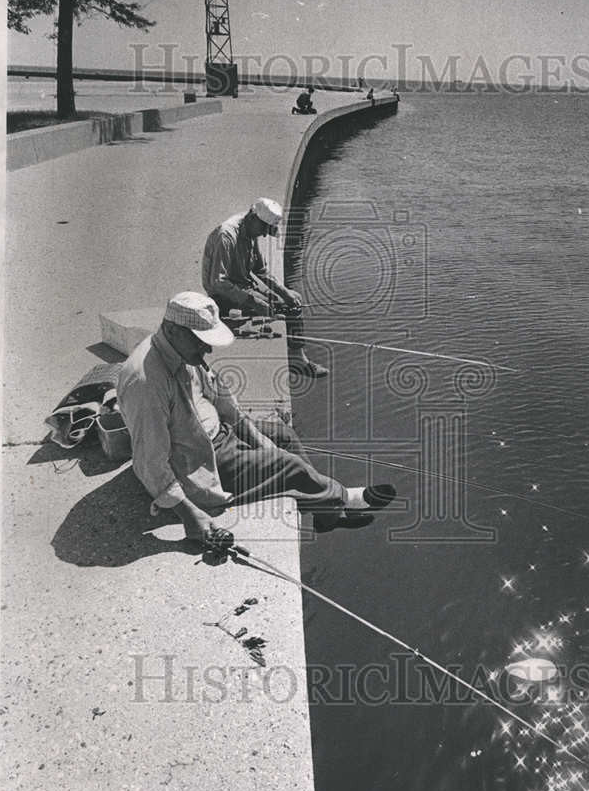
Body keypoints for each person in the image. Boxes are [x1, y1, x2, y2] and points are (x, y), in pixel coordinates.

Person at [117, 292, 395, 544]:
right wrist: (189, 515)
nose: (208, 350)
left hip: (216, 432)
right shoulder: (145, 382)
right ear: (173, 330)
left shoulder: (183, 351)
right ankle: (342, 499)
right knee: (287, 465)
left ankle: (327, 513)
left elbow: (222, 399)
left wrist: (257, 437)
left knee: (283, 435)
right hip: (195, 456)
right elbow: (149, 461)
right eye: (202, 342)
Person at [201, 197, 328, 377]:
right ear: (253, 218)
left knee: (292, 304)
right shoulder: (227, 235)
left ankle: (297, 359)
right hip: (223, 295)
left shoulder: (250, 231)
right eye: (263, 229)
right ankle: (297, 361)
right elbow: (218, 283)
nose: (263, 235)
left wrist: (285, 292)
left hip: (243, 285)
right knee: (275, 308)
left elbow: (260, 270)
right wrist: (254, 302)